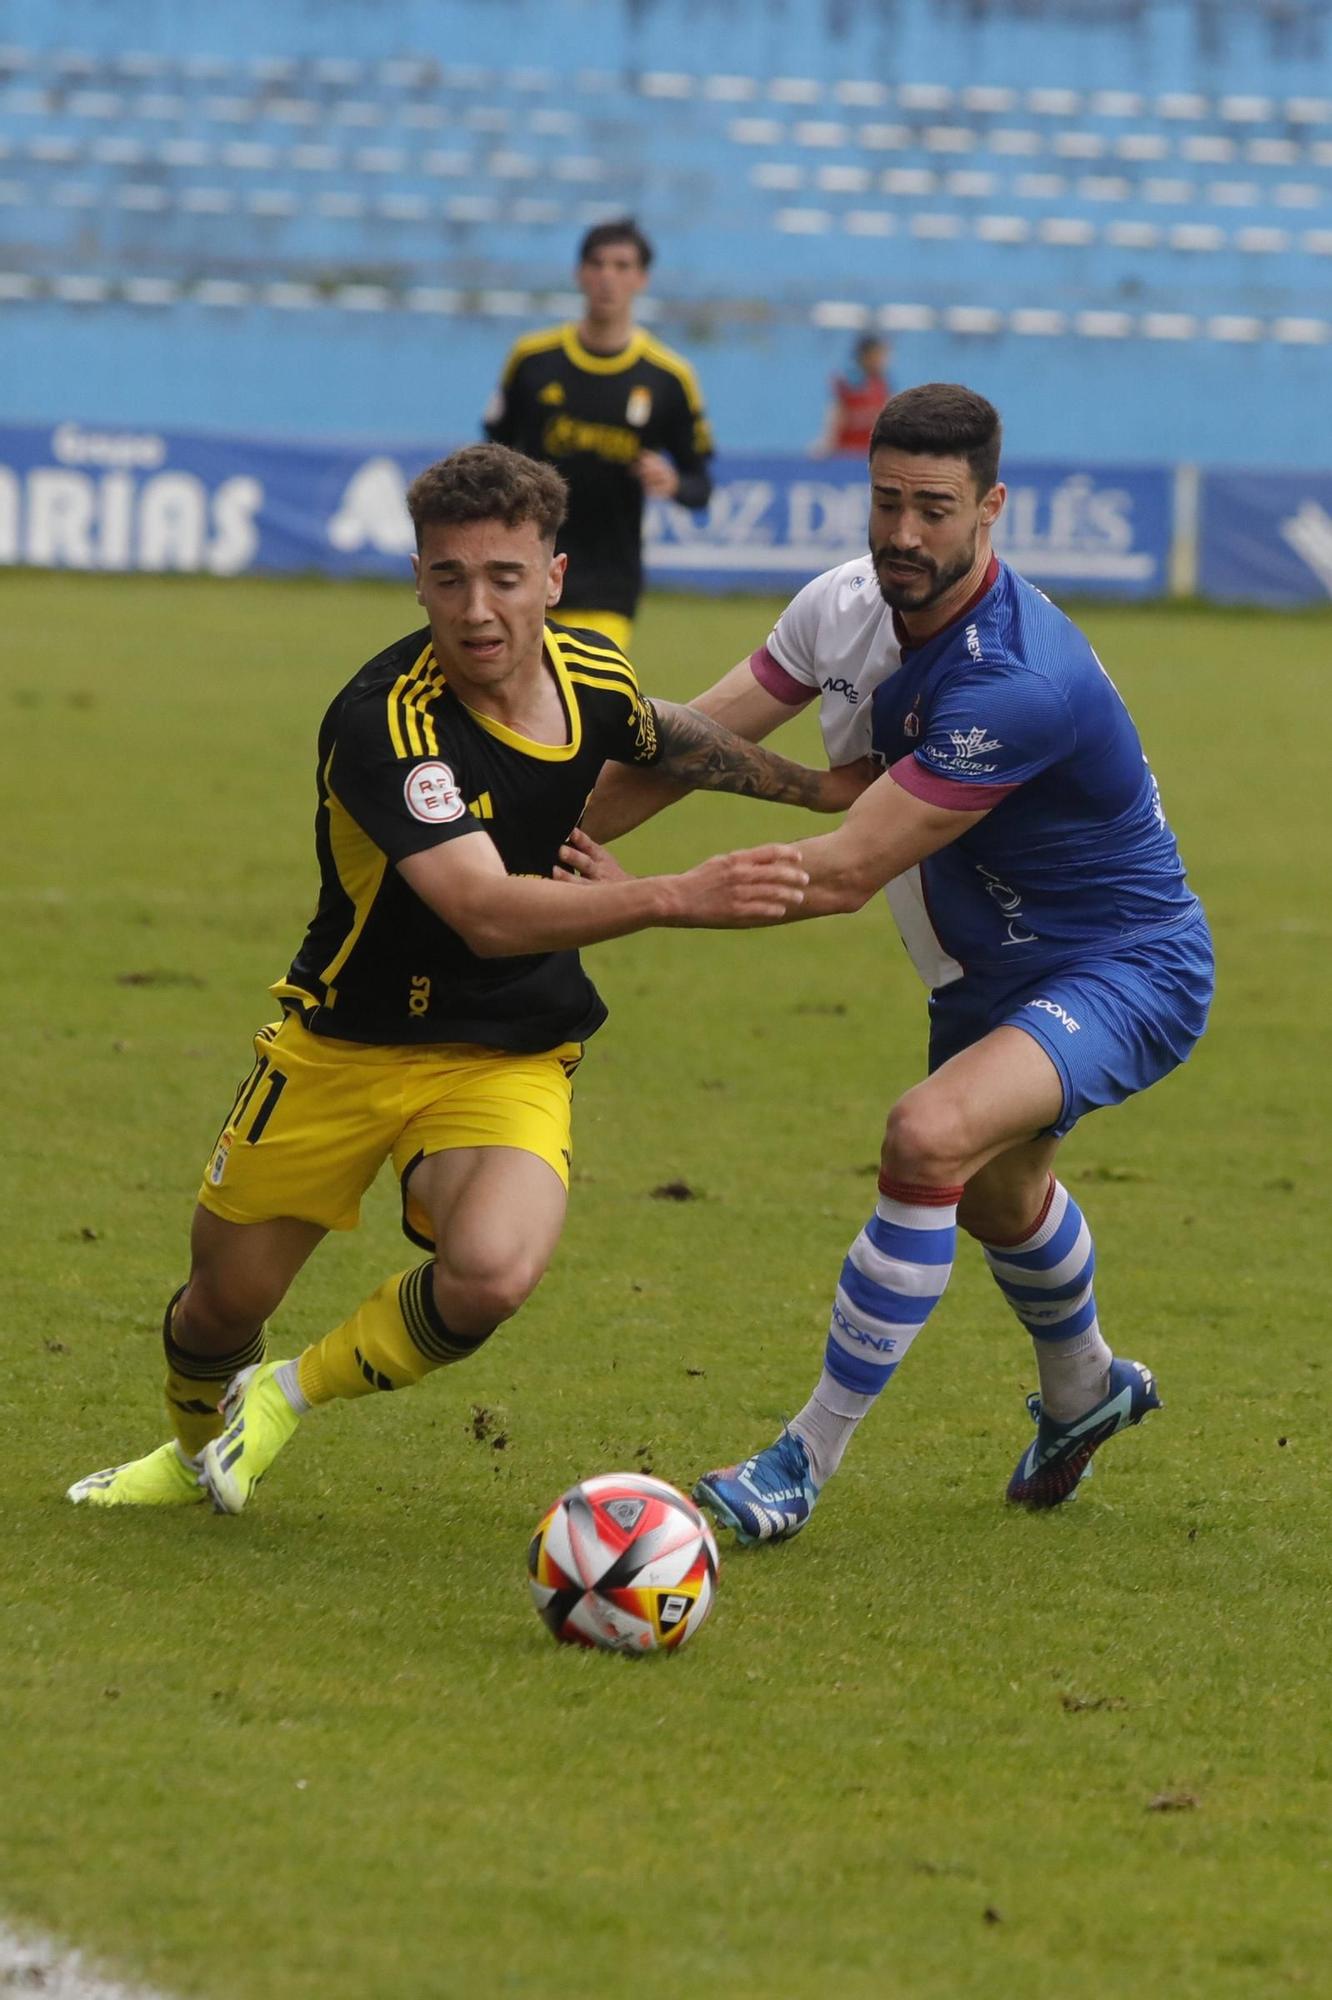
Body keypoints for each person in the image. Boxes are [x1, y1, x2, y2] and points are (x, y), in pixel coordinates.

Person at [67, 442, 869, 1515]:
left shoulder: (588, 670)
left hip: (508, 1046)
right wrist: (679, 892)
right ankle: (185, 1453)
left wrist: (815, 789)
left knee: (491, 1270)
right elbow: (487, 911)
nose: (476, 607)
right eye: (448, 577)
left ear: (552, 576)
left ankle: (285, 1396)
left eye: (502, 577)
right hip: (342, 1045)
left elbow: (663, 731)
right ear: (419, 580)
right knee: (220, 1302)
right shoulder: (386, 720)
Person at [567, 382, 1214, 1533]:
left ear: (991, 508)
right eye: (886, 503)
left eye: (934, 509)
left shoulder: (1015, 682)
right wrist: (529, 850)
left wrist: (645, 902)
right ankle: (1086, 1390)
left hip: (1124, 963)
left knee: (926, 1136)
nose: (904, 534)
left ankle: (801, 1460)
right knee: (1001, 1198)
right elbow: (695, 744)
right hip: (983, 967)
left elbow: (844, 870)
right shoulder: (842, 606)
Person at [483, 216, 713, 655]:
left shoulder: (669, 377)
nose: (608, 276)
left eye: (623, 265)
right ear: (579, 273)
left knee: (579, 702)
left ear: (641, 278)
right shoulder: (533, 360)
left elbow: (700, 485)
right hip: (523, 567)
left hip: (609, 580)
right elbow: (493, 455)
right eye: (597, 263)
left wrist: (674, 483)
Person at [813, 334, 891, 457]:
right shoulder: (847, 382)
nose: (884, 360)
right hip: (846, 454)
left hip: (869, 454)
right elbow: (836, 414)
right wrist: (826, 443)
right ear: (866, 356)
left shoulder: (883, 383)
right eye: (879, 355)